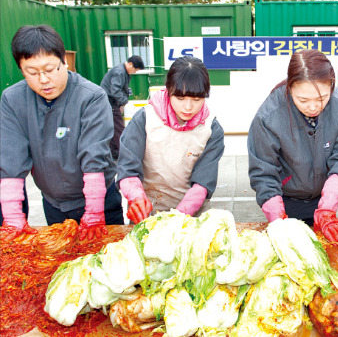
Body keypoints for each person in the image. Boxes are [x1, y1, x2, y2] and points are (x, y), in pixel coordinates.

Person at [0, 25, 123, 241]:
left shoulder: (91, 97)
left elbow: (93, 156)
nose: (44, 80)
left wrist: (94, 213)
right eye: (32, 72)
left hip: (99, 201)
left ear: (64, 61)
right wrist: (12, 217)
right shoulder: (12, 100)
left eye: (50, 69)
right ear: (21, 70)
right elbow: (11, 160)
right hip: (53, 204)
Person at [247, 49, 338, 245]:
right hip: (285, 200)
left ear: (332, 86)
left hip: (325, 198)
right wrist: (278, 218)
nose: (314, 107)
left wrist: (328, 207)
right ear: (290, 88)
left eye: (322, 98)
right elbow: (263, 172)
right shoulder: (269, 116)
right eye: (303, 100)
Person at [117, 56, 224, 223]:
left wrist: (177, 218)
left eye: (197, 99)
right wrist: (136, 197)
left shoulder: (211, 129)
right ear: (168, 91)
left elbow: (202, 183)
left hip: (191, 217)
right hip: (147, 215)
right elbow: (127, 169)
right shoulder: (145, 119)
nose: (188, 107)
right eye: (180, 98)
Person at [100, 55, 144, 160]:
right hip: (109, 101)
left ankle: (115, 152)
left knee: (113, 126)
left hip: (112, 102)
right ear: (130, 64)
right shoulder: (119, 72)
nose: (134, 72)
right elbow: (115, 90)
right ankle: (125, 153)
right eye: (135, 70)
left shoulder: (123, 71)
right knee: (119, 127)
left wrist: (120, 104)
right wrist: (125, 102)